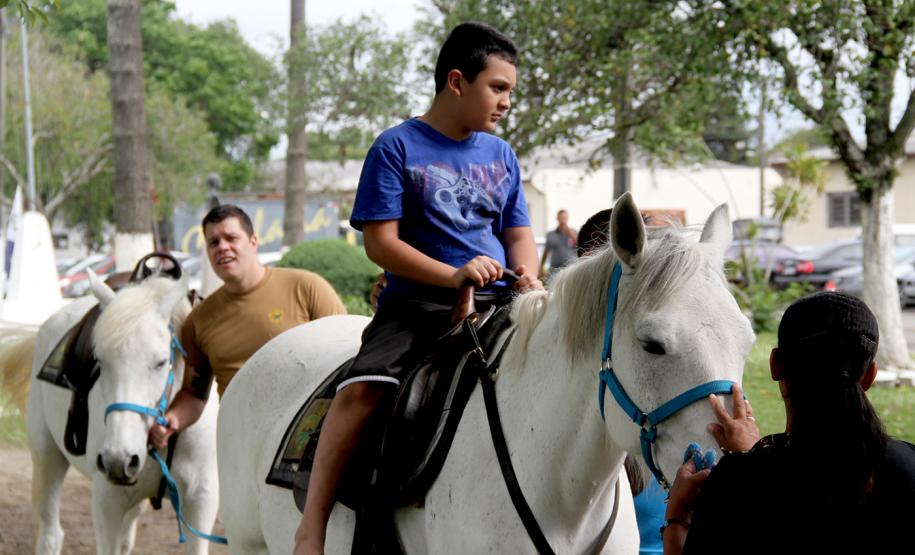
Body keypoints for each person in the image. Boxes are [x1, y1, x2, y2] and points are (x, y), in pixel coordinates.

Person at [294, 22, 543, 554]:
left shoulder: (502, 156)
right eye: (497, 88)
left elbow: (518, 233)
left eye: (510, 92)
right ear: (457, 81)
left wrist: (529, 275)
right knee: (361, 391)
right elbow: (380, 245)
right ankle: (312, 525)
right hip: (417, 306)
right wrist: (450, 274)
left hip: (500, 302)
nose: (505, 102)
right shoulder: (395, 147)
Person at [664, 291, 915, 554]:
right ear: (870, 375)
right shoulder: (908, 467)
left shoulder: (736, 486)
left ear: (775, 364)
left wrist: (676, 523)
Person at [148, 204, 346, 449]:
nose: (222, 247)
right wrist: (172, 420)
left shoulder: (307, 288)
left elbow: (347, 365)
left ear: (253, 242)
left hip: (305, 442)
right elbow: (194, 394)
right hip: (241, 446)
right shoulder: (198, 320)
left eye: (231, 238)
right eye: (213, 242)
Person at [540, 209, 577, 278]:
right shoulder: (550, 234)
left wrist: (570, 234)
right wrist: (541, 267)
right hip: (555, 270)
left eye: (564, 218)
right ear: (557, 218)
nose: (563, 221)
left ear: (567, 218)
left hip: (571, 269)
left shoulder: (574, 232)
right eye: (561, 218)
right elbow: (546, 252)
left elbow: (579, 246)